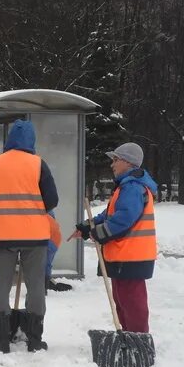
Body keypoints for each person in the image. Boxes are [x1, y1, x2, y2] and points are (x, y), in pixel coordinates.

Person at [0, 119, 58, 353]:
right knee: (35, 286)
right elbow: (52, 200)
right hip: (35, 236)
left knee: (1, 287)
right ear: (31, 140)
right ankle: (34, 338)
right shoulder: (38, 164)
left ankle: (2, 338)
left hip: (2, 236)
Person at [69, 142, 157, 333]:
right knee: (122, 300)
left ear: (128, 162)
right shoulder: (125, 186)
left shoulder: (133, 187)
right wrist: (87, 227)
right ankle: (128, 335)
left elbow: (123, 220)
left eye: (116, 160)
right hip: (124, 256)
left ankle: (137, 340)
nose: (112, 164)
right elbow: (110, 216)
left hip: (131, 256)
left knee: (131, 302)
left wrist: (97, 233)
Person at [45, 211, 71, 292]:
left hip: (48, 239)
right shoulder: (48, 210)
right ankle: (45, 284)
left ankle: (42, 287)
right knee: (45, 264)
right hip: (54, 239)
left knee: (41, 264)